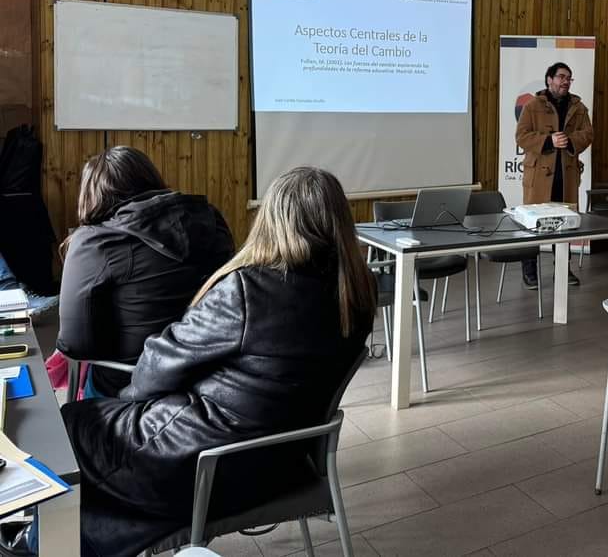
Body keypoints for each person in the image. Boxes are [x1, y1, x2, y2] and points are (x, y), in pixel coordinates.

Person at [60, 166, 376, 557]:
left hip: (206, 467)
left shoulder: (248, 288)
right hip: (285, 464)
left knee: (68, 424)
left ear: (271, 219)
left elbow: (153, 371)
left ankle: (59, 542)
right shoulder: (357, 294)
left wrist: (130, 398)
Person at [54, 146, 234, 397]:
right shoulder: (210, 218)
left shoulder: (96, 241)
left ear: (91, 195)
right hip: (212, 375)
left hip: (131, 383)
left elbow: (76, 345)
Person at [515, 61, 594, 287]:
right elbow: (521, 136)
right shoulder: (532, 106)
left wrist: (570, 141)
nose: (565, 81)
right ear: (549, 80)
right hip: (539, 177)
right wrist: (548, 140)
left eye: (568, 78)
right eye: (561, 77)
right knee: (532, 225)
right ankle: (529, 271)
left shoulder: (579, 108)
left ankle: (563, 269)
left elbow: (588, 134)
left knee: (564, 224)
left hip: (566, 175)